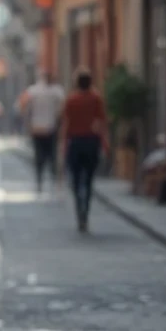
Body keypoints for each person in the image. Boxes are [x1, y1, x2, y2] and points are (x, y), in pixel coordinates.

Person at [63, 67, 108, 232]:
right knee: (88, 181)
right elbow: (102, 122)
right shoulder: (96, 99)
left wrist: (64, 145)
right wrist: (104, 144)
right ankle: (86, 212)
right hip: (91, 142)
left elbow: (66, 124)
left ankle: (79, 211)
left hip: (75, 143)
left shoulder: (71, 100)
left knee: (75, 181)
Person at [22, 71, 66, 194]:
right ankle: (53, 182)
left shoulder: (33, 91)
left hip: (37, 129)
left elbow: (25, 108)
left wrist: (28, 125)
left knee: (39, 157)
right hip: (51, 129)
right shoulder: (57, 91)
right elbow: (62, 109)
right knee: (52, 156)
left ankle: (39, 181)